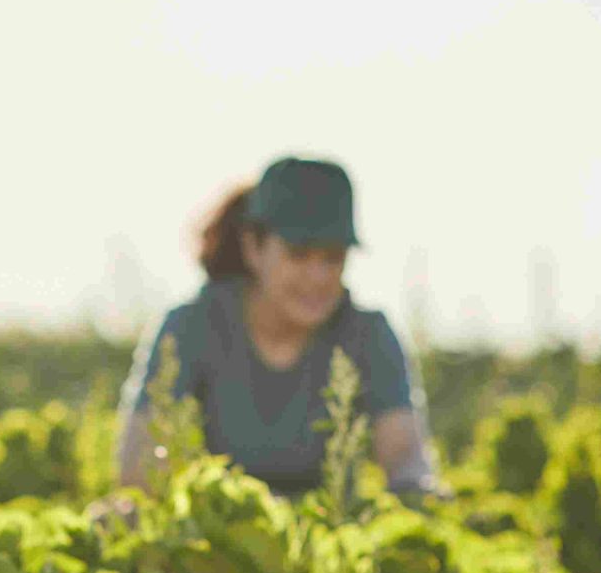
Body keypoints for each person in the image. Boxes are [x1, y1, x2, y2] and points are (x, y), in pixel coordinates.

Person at [114, 155, 441, 501]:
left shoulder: (367, 334)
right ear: (253, 247)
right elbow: (139, 470)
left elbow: (405, 457)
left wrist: (420, 493)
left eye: (332, 258)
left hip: (328, 536)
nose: (318, 277)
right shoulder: (192, 325)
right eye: (298, 255)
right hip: (216, 538)